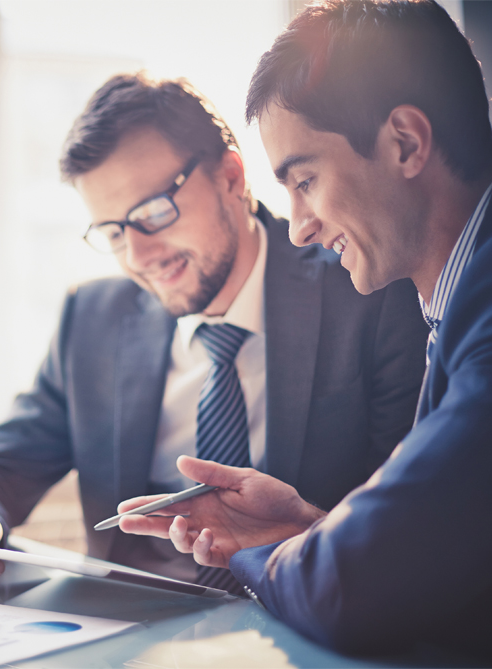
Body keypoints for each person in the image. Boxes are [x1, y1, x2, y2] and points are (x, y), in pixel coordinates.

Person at [0, 73, 428, 596]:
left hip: (301, 620)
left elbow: (407, 526)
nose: (137, 256)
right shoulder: (92, 318)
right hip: (127, 635)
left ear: (230, 177)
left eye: (153, 212)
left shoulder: (367, 290)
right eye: (112, 232)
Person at [118, 0, 492, 660]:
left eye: (307, 180)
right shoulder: (453, 305)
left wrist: (278, 549)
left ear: (406, 142)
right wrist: (311, 527)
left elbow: (347, 587)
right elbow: (445, 557)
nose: (299, 227)